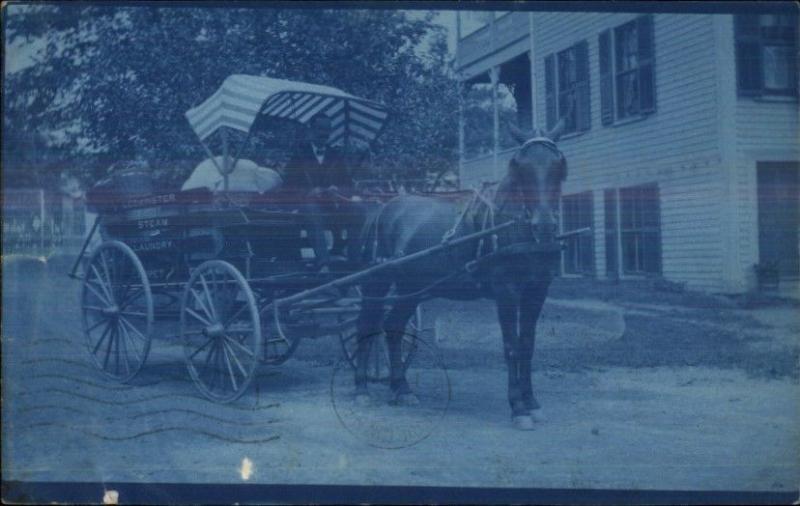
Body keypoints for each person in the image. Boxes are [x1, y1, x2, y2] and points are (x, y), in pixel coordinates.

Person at [282, 113, 355, 267]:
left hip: (333, 206)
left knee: (360, 210)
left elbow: (349, 186)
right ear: (311, 130)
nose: (325, 133)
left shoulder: (336, 155)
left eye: (328, 129)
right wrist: (309, 193)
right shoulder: (298, 156)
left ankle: (353, 258)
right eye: (320, 129)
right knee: (311, 209)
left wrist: (338, 190)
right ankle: (323, 261)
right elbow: (288, 188)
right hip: (305, 208)